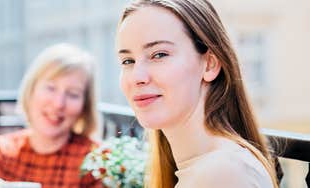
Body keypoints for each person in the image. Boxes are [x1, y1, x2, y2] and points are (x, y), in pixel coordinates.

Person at [115, 0, 278, 187]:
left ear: (210, 64)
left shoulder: (225, 173)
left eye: (159, 55)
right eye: (128, 61)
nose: (137, 76)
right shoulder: (207, 168)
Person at [0, 43, 101, 188]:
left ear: (85, 105)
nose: (59, 103)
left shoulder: (97, 161)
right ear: (31, 90)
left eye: (73, 94)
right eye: (50, 88)